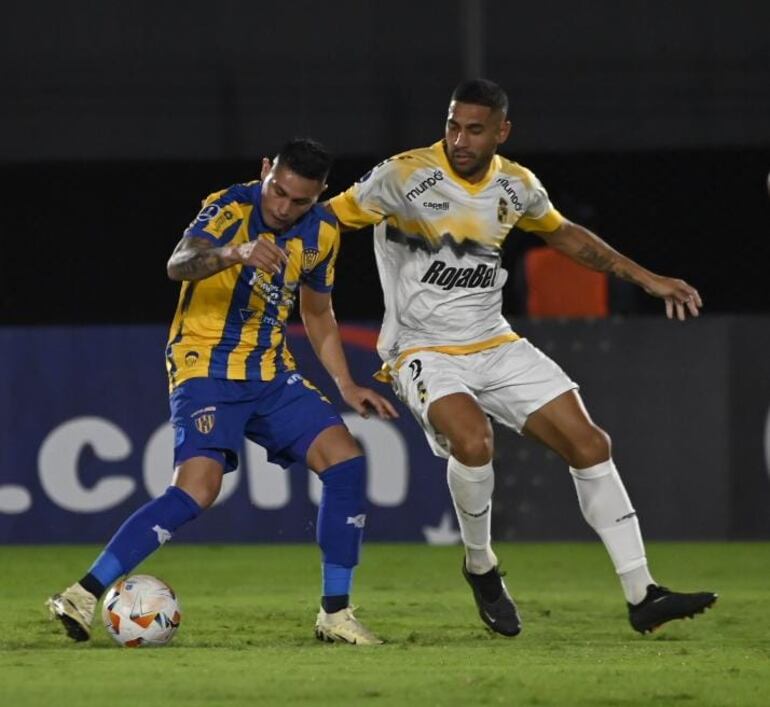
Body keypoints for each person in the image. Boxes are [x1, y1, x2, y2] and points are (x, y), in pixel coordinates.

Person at [326, 79, 717, 637]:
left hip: (494, 340)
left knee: (590, 444)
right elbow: (326, 220)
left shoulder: (517, 185)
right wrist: (262, 225)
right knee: (474, 440)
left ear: (501, 132)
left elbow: (566, 236)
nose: (460, 140)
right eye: (453, 126)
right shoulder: (404, 175)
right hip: (422, 347)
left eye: (474, 130)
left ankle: (642, 593)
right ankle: (481, 566)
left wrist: (646, 278)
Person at [47, 137, 397, 646]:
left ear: (319, 194)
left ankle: (335, 614)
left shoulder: (322, 232)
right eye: (277, 190)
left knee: (346, 462)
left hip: (271, 372)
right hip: (204, 362)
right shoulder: (230, 206)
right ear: (265, 170)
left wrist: (345, 382)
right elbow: (179, 263)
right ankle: (82, 593)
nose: (283, 207)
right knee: (198, 489)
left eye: (299, 200)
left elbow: (318, 312)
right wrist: (236, 253)